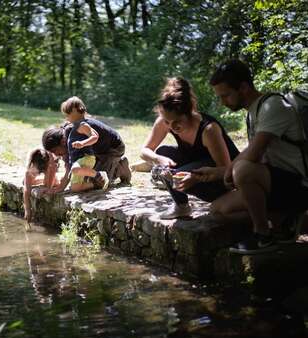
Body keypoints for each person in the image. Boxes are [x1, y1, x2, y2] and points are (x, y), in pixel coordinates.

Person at [199, 59, 308, 254]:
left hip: (299, 184)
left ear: (243, 87)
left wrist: (231, 169)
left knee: (243, 170)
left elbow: (254, 153)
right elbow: (253, 157)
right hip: (275, 183)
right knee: (217, 210)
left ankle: (263, 235)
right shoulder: (253, 112)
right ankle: (283, 217)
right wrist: (217, 173)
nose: (223, 102)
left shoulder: (274, 105)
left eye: (226, 95)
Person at [140, 77, 239, 219]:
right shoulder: (164, 121)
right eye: (168, 122)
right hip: (198, 165)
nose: (172, 127)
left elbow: (226, 169)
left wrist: (196, 178)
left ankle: (226, 199)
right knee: (163, 153)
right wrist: (158, 158)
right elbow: (144, 151)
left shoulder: (208, 129)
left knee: (176, 175)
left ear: (190, 113)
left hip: (225, 181)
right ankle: (181, 206)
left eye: (177, 122)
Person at [42, 98, 131, 193]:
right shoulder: (66, 136)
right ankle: (114, 166)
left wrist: (61, 188)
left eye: (56, 152)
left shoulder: (75, 132)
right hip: (96, 151)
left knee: (102, 181)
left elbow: (69, 167)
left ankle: (120, 168)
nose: (58, 155)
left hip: (113, 148)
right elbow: (70, 165)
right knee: (85, 176)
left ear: (63, 142)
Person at [59, 96, 110, 192]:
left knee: (75, 169)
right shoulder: (75, 126)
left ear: (75, 111)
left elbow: (95, 136)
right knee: (75, 188)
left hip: (85, 157)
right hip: (77, 160)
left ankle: (99, 175)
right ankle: (97, 184)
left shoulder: (82, 125)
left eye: (68, 114)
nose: (66, 117)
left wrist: (83, 143)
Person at [23, 148, 60, 222]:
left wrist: (47, 187)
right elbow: (26, 190)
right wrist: (27, 210)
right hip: (40, 163)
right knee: (25, 182)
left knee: (52, 183)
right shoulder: (30, 165)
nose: (35, 174)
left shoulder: (50, 162)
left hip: (51, 162)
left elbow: (48, 186)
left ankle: (55, 180)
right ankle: (37, 180)